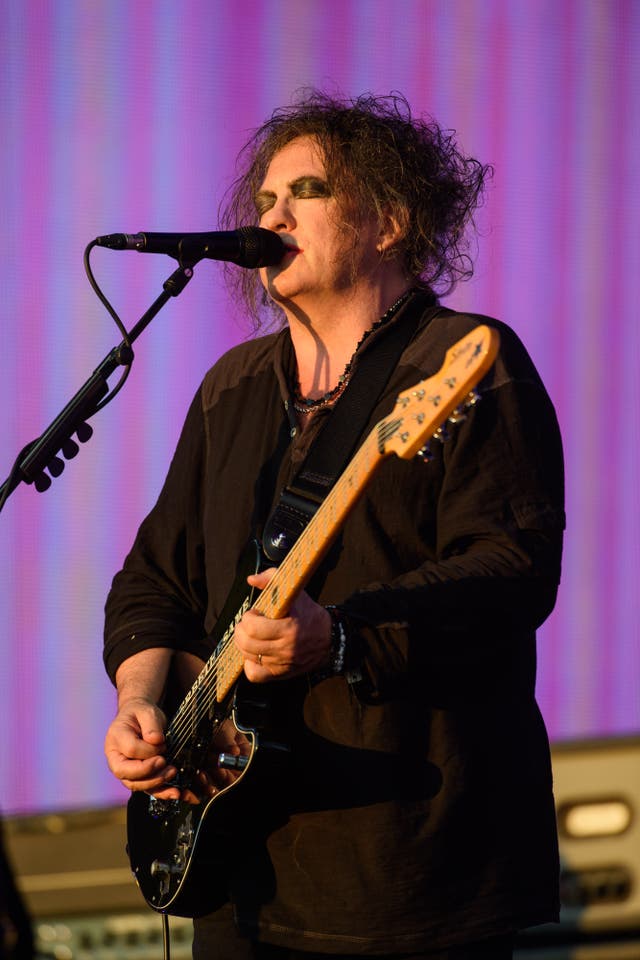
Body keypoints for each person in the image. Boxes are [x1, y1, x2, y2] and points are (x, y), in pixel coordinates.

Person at [103, 91, 565, 960]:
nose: (271, 216)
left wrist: (341, 638)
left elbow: (514, 570)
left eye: (304, 193)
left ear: (387, 220)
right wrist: (140, 706)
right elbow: (155, 580)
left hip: (404, 871)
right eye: (265, 200)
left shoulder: (461, 365)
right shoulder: (233, 386)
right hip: (240, 862)